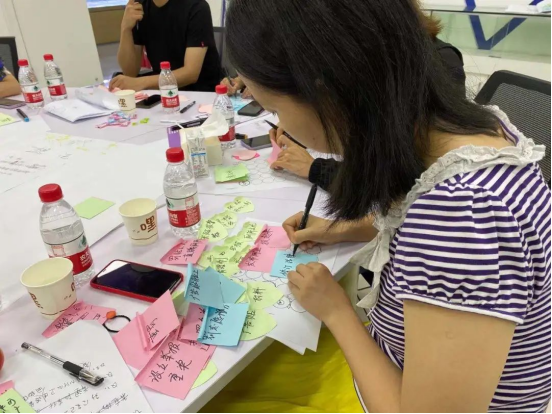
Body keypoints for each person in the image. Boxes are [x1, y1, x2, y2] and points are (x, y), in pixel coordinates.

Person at [226, 0, 551, 413]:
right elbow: (417, 222)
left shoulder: (460, 216)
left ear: (328, 89)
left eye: (275, 110)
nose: (282, 129)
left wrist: (336, 310)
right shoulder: (466, 130)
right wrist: (341, 229)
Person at [269, 13, 466, 191]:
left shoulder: (437, 62)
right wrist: (302, 123)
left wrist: (315, 168)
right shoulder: (363, 57)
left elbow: (404, 177)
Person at [110, 0, 221, 92]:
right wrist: (125, 28)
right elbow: (130, 72)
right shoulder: (140, 7)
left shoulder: (197, 7)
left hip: (201, 93)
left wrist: (140, 82)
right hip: (162, 92)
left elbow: (190, 73)